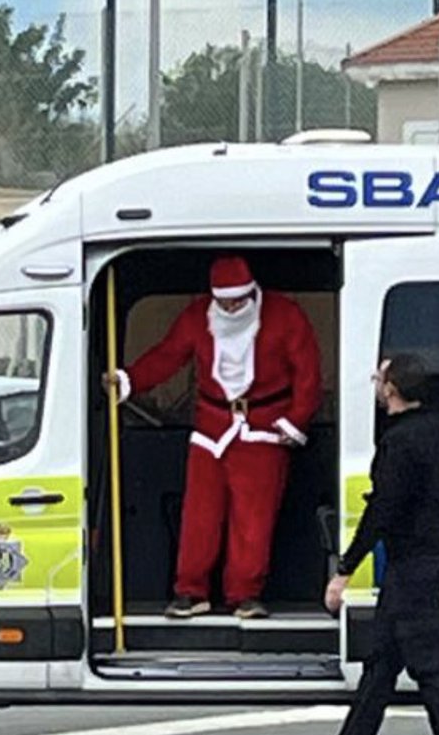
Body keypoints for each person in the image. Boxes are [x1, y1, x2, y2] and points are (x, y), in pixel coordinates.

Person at [105, 255, 322, 619]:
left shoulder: (286, 315)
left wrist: (295, 421)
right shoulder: (196, 318)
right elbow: (168, 355)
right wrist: (129, 380)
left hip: (264, 428)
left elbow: (308, 373)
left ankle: (244, 594)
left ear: (251, 292)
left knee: (253, 520)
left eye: (239, 299)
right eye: (226, 301)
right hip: (211, 427)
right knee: (199, 516)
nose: (233, 306)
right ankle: (190, 591)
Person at [293, 353, 439, 735]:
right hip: (438, 557)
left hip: (412, 564)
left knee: (427, 664)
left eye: (379, 376)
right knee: (381, 665)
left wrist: (343, 571)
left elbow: (381, 512)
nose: (375, 382)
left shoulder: (398, 442)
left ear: (391, 389)